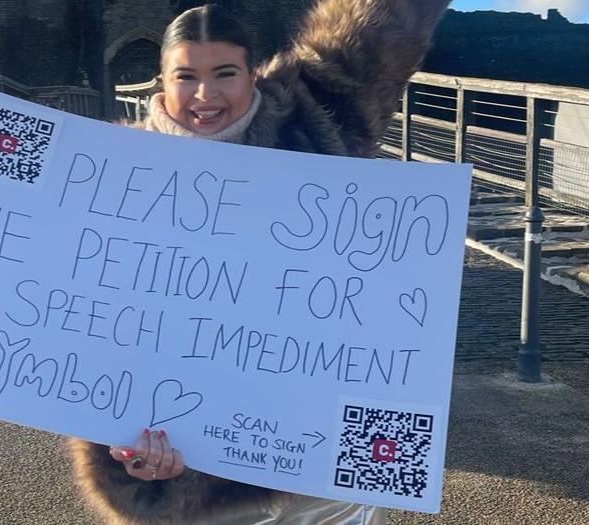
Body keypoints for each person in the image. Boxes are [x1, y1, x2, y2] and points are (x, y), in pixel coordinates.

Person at [67, 1, 450, 523]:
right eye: (187, 77)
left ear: (254, 74)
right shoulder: (108, 178)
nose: (206, 95)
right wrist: (124, 457)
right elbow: (83, 337)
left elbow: (381, 25)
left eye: (225, 74)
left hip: (320, 460)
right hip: (194, 475)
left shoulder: (313, 127)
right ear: (161, 81)